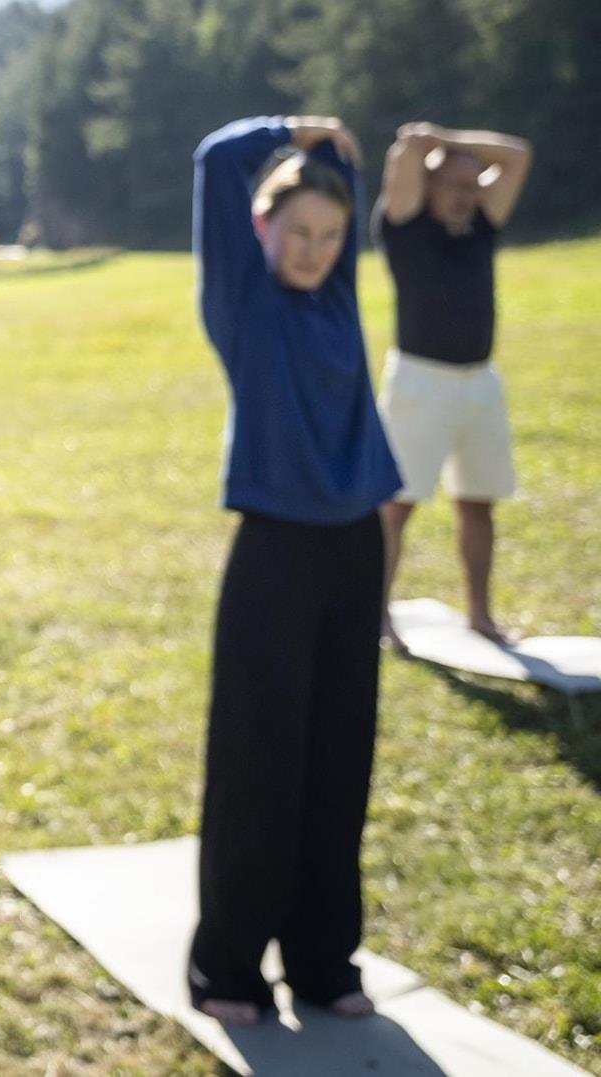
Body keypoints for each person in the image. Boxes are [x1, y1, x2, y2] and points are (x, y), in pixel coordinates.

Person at [187, 117, 403, 1027]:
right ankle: (227, 966)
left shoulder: (338, 296)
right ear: (263, 227)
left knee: (339, 757)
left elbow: (341, 186)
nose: (314, 249)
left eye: (330, 234)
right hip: (274, 550)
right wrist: (288, 130)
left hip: (354, 547)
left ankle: (322, 960)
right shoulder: (245, 301)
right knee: (259, 760)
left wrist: (332, 157)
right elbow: (215, 162)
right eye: (297, 231)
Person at [374, 123, 535, 647]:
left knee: (478, 502)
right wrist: (431, 146)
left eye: (473, 185)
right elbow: (406, 153)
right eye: (453, 186)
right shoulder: (405, 226)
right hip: (420, 383)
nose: (466, 196)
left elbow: (517, 154)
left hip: (480, 382)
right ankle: (377, 614)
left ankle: (480, 616)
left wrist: (449, 139)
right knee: (397, 506)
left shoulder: (482, 225)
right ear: (429, 186)